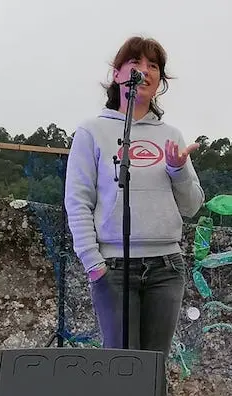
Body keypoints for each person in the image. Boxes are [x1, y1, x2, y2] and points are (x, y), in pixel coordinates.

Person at [65, 36, 204, 356]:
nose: (144, 70)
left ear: (160, 81)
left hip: (166, 268)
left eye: (153, 65)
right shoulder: (91, 131)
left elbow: (192, 206)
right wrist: (93, 263)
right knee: (121, 368)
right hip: (112, 267)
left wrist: (178, 170)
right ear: (117, 75)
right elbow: (77, 200)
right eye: (136, 63)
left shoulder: (171, 135)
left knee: (154, 369)